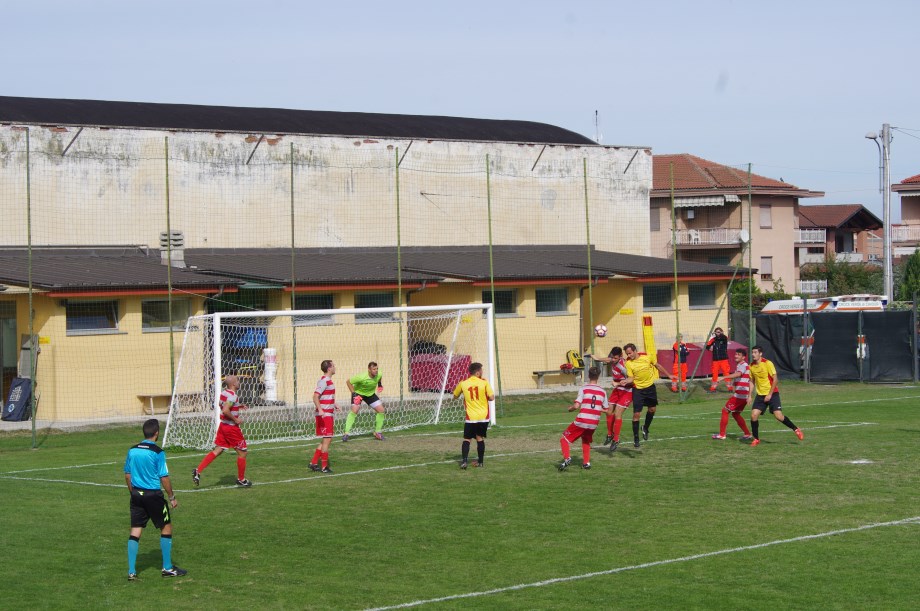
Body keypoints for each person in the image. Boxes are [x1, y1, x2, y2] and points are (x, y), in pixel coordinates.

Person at [124, 418, 186, 580]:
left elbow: (127, 474)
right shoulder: (158, 452)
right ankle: (167, 568)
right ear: (156, 433)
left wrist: (133, 493)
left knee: (136, 530)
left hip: (137, 494)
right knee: (166, 528)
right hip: (153, 496)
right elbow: (164, 477)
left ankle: (131, 572)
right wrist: (172, 497)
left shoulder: (132, 450)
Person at [192, 375, 252, 487]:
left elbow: (224, 405)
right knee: (243, 453)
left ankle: (198, 470)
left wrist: (238, 406)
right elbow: (225, 409)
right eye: (238, 380)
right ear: (234, 384)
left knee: (218, 450)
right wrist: (236, 419)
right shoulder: (233, 396)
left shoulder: (224, 393)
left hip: (223, 426)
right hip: (231, 428)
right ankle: (241, 479)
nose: (239, 382)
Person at [748, 345, 804, 446]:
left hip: (772, 393)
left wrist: (769, 394)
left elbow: (775, 379)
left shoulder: (767, 363)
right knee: (753, 415)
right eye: (752, 352)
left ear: (760, 354)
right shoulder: (751, 366)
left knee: (778, 416)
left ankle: (796, 429)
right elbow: (752, 381)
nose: (753, 354)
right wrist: (749, 395)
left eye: (755, 352)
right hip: (760, 395)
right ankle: (756, 439)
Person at [559, 366, 611, 470]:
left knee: (564, 439)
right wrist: (597, 409)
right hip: (593, 423)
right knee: (586, 440)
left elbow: (577, 406)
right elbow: (607, 410)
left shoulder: (584, 389)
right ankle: (586, 463)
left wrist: (571, 408)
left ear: (588, 375)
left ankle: (567, 458)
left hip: (582, 420)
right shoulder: (603, 391)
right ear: (598, 376)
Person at [623, 343, 672, 448]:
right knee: (636, 414)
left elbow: (658, 365)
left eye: (630, 353)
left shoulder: (647, 357)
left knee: (652, 410)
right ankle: (636, 439)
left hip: (650, 388)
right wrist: (625, 381)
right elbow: (631, 378)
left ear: (635, 350)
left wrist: (669, 375)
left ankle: (645, 428)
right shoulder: (628, 363)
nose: (629, 355)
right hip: (638, 390)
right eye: (627, 354)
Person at [586, 346, 632, 451]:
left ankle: (616, 439)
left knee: (617, 413)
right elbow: (607, 359)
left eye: (615, 358)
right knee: (608, 411)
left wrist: (618, 382)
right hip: (618, 389)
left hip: (627, 390)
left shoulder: (623, 366)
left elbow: (632, 380)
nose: (613, 360)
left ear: (621, 356)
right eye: (612, 357)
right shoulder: (612, 359)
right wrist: (596, 358)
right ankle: (609, 435)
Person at [452, 361, 495, 469]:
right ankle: (480, 463)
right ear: (477, 372)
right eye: (481, 370)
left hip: (471, 418)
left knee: (467, 439)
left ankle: (464, 462)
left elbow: (455, 395)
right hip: (483, 417)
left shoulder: (463, 383)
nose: (482, 372)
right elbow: (492, 397)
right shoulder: (484, 382)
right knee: (479, 438)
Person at [711, 349, 753, 440]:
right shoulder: (740, 365)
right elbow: (739, 377)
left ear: (743, 357)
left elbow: (738, 374)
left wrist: (723, 377)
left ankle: (722, 435)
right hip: (742, 394)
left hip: (740, 394)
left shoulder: (743, 365)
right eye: (735, 354)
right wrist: (734, 385)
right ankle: (747, 434)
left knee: (725, 410)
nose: (736, 356)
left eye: (738, 354)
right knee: (736, 414)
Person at [343, 361, 386, 441]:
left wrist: (379, 384)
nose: (376, 370)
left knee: (381, 410)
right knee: (354, 411)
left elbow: (380, 377)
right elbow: (348, 382)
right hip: (358, 394)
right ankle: (346, 433)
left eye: (377, 369)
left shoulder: (378, 374)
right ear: (369, 370)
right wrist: (354, 394)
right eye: (374, 369)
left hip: (370, 394)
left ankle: (378, 432)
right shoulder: (361, 377)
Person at [309, 360, 338, 473]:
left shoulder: (328, 381)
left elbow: (326, 396)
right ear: (329, 368)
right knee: (327, 439)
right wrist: (321, 410)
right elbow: (315, 396)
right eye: (334, 365)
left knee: (326, 439)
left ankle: (314, 462)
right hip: (325, 414)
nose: (335, 367)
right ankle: (324, 467)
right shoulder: (324, 381)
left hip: (327, 412)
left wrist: (334, 404)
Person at [705, 327, 733, 393]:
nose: (718, 333)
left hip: (724, 359)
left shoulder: (723, 338)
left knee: (726, 373)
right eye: (716, 332)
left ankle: (730, 388)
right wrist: (710, 348)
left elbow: (724, 337)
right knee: (715, 373)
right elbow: (707, 345)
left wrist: (721, 334)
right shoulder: (713, 340)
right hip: (715, 360)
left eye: (719, 332)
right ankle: (713, 388)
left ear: (721, 332)